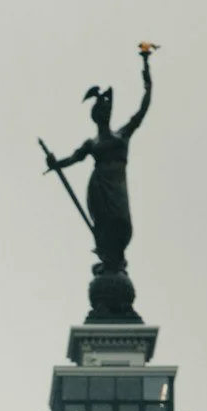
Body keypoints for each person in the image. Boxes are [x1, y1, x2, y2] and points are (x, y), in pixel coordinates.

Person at [44, 51, 154, 273]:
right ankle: (108, 260)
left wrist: (147, 77)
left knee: (121, 221)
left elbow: (142, 110)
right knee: (104, 225)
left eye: (107, 110)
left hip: (117, 187)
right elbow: (74, 158)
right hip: (99, 186)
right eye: (101, 111)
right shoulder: (92, 143)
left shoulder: (123, 134)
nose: (105, 113)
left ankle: (114, 260)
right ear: (96, 116)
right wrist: (55, 163)